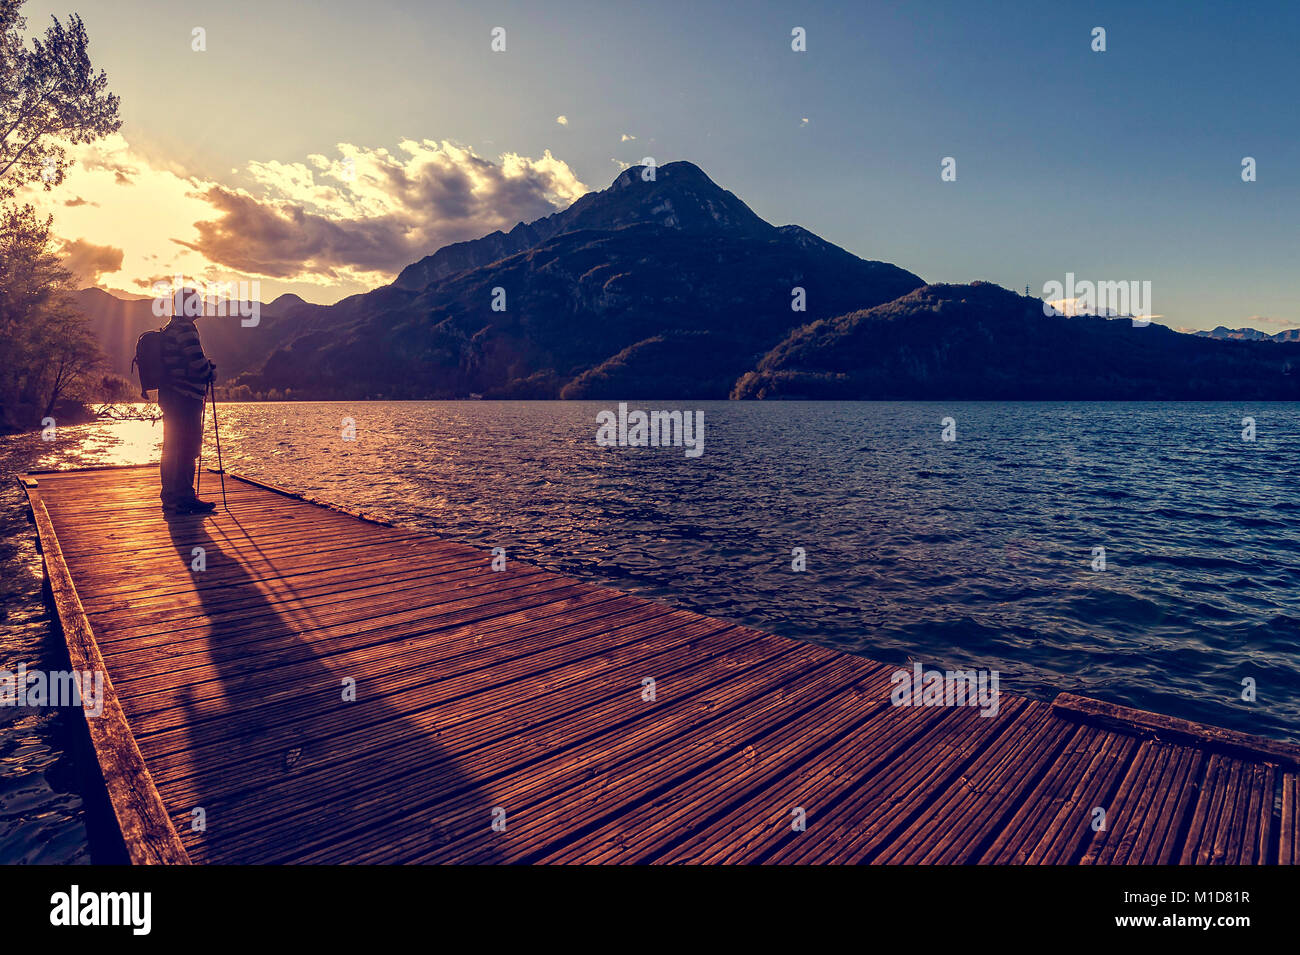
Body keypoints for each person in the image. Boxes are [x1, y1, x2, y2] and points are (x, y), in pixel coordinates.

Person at [158, 287, 217, 514]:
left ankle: (171, 497)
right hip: (185, 398)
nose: (201, 305)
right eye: (197, 302)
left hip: (171, 397)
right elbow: (197, 365)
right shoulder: (186, 329)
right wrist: (211, 372)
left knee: (172, 446)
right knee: (187, 447)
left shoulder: (170, 328)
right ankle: (184, 497)